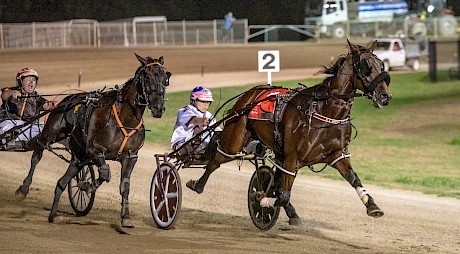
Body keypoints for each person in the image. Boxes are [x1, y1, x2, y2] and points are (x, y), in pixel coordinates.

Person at [0, 68, 54, 147]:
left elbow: (46, 105)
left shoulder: (36, 97)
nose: (31, 81)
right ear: (20, 81)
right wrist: (12, 93)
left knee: (47, 127)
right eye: (28, 79)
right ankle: (9, 142)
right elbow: (4, 95)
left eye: (34, 79)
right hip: (11, 124)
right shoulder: (10, 90)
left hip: (27, 127)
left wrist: (52, 106)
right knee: (7, 125)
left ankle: (28, 142)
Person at [171, 86, 221, 157]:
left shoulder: (208, 115)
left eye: (208, 102)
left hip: (203, 145)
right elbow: (195, 120)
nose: (206, 104)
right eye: (203, 101)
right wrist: (202, 121)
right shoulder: (184, 111)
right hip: (181, 144)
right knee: (199, 128)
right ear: (193, 100)